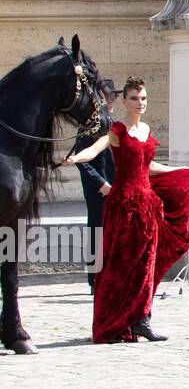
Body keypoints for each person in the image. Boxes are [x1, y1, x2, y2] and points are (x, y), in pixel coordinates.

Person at [62, 76, 189, 342]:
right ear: (124, 101)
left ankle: (142, 320)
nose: (140, 103)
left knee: (146, 264)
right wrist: (74, 158)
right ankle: (115, 323)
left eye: (144, 98)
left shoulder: (147, 130)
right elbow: (93, 150)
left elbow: (149, 167)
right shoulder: (116, 130)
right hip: (123, 205)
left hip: (147, 205)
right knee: (121, 265)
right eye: (135, 99)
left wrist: (183, 171)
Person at [70, 79, 118, 293]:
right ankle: (94, 279)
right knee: (96, 230)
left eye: (108, 101)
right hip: (97, 188)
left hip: (116, 185)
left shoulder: (117, 126)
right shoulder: (88, 127)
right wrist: (101, 183)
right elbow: (83, 162)